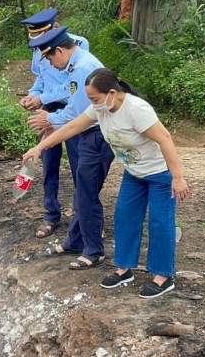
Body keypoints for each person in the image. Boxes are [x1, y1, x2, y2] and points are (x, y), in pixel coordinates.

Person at [22, 69, 189, 299]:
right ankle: (123, 269)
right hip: (134, 173)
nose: (93, 104)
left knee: (160, 222)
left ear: (111, 93)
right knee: (125, 217)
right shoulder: (101, 108)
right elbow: (72, 127)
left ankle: (162, 277)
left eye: (95, 99)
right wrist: (40, 147)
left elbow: (165, 138)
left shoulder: (137, 110)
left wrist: (178, 177)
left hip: (160, 174)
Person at [24, 26, 114, 270]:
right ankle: (75, 240)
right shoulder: (76, 64)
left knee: (87, 193)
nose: (52, 65)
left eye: (51, 58)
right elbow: (76, 118)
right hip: (85, 132)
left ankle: (94, 249)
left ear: (60, 51)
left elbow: (77, 113)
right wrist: (45, 140)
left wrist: (49, 120)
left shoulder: (83, 67)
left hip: (97, 137)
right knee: (82, 190)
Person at [18, 8, 91, 239]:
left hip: (72, 110)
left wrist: (43, 98)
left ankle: (82, 218)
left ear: (56, 27)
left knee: (80, 164)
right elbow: (41, 77)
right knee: (48, 161)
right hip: (48, 111)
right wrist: (33, 95)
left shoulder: (78, 46)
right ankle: (51, 214)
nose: (41, 47)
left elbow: (73, 85)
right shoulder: (39, 49)